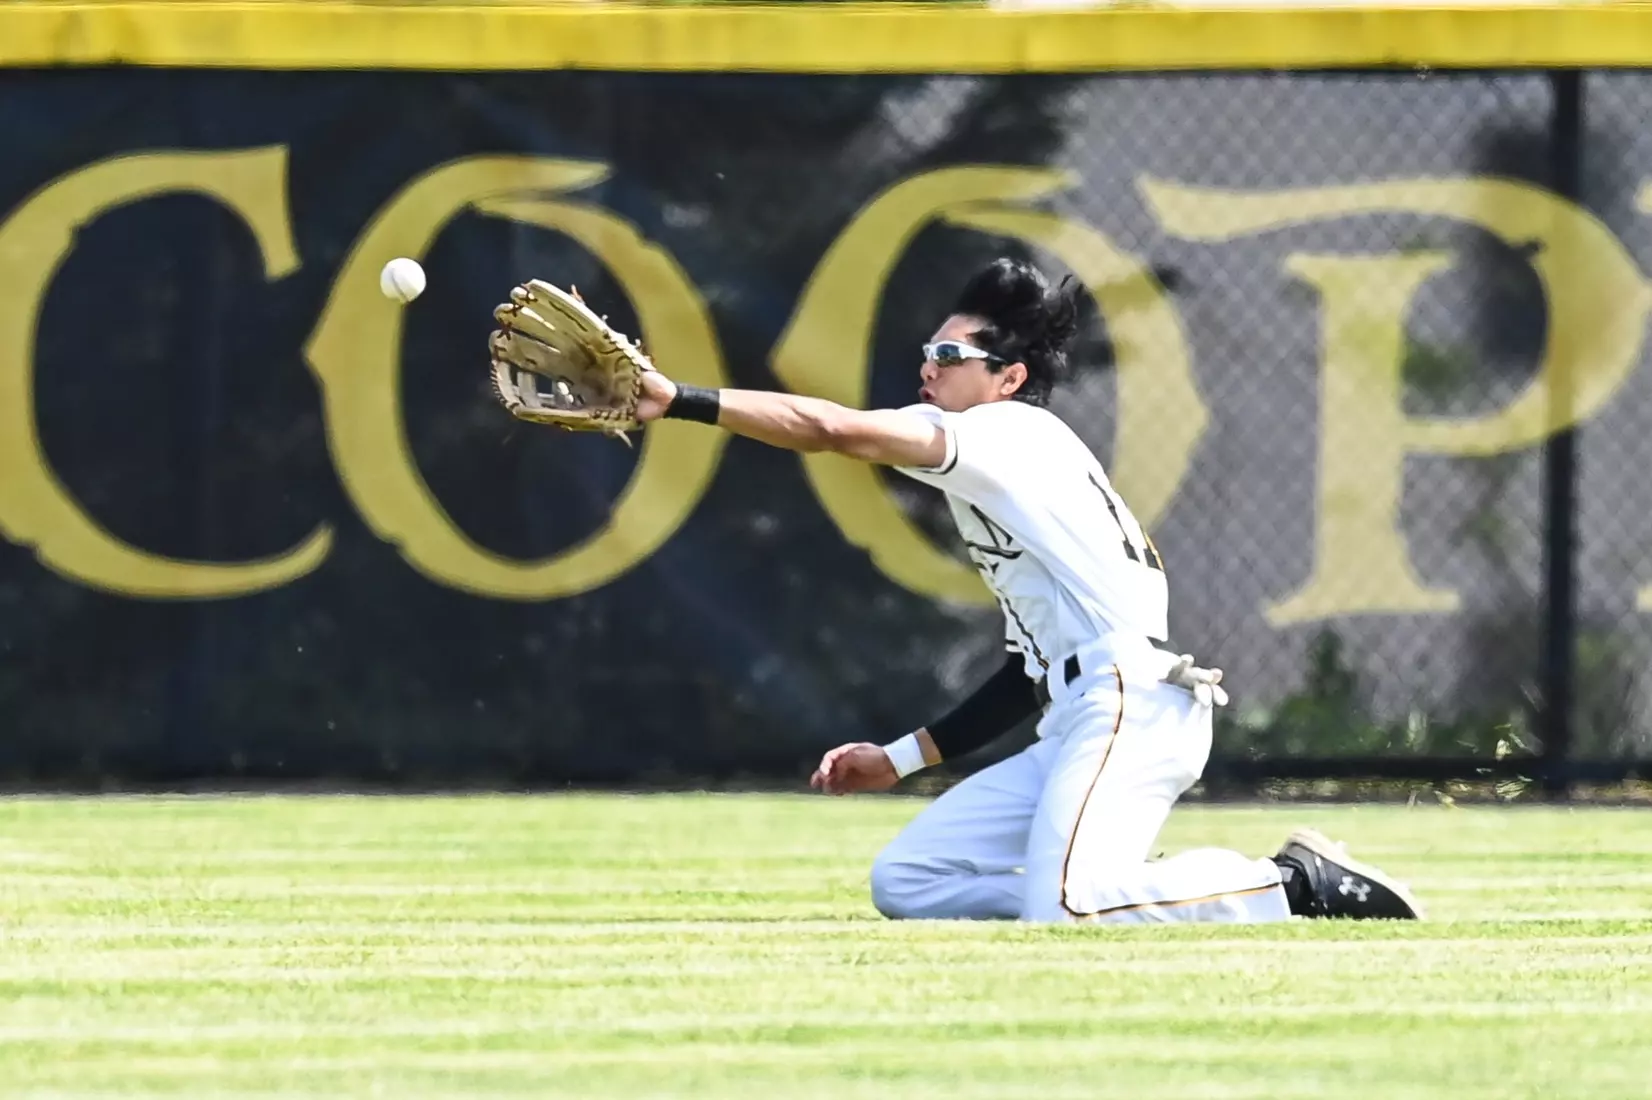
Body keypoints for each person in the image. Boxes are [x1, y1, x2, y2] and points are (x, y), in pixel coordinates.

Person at [632, 257, 1424, 924]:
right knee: (908, 882)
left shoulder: (1005, 434)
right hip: (1087, 710)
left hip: (1131, 706)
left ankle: (1291, 884)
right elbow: (1026, 674)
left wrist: (681, 401)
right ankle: (1112, 877)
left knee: (1069, 905)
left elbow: (834, 429)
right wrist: (900, 760)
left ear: (1007, 377)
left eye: (948, 355)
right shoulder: (1008, 462)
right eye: (928, 350)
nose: (928, 367)